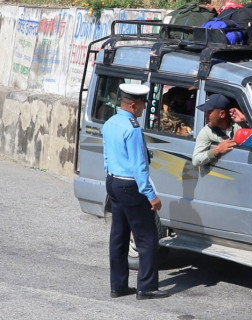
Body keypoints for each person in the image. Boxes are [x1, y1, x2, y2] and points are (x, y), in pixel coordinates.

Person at [102, 83, 171, 300]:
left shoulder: (111, 122)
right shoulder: (132, 129)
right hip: (130, 186)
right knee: (147, 237)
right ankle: (147, 287)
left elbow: (106, 157)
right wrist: (151, 195)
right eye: (142, 105)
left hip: (113, 181)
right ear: (133, 105)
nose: (144, 109)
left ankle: (118, 285)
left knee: (119, 236)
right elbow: (139, 167)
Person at [192, 94, 245, 166]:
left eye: (209, 112)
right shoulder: (206, 131)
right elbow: (195, 160)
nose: (205, 115)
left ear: (222, 114)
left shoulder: (240, 124)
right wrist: (217, 150)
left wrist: (245, 119)